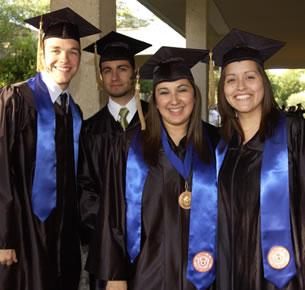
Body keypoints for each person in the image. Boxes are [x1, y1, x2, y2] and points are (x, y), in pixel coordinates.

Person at [85, 46, 219, 290]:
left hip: (205, 272)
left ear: (195, 95)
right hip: (146, 272)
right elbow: (113, 211)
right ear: (155, 100)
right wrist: (115, 275)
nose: (174, 100)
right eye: (164, 92)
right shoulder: (129, 146)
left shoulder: (217, 143)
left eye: (182, 90)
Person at [0, 7, 100, 290]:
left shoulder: (74, 112)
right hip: (23, 234)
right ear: (42, 53)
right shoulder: (15, 100)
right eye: (55, 50)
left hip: (63, 239)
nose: (64, 59)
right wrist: (3, 239)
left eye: (73, 51)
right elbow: (1, 172)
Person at [212, 29, 305, 289]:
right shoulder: (221, 147)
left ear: (263, 81)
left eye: (250, 77)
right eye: (231, 80)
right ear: (223, 89)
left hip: (285, 271)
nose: (240, 87)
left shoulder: (293, 132)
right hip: (233, 270)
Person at [78, 31, 151, 290]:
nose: (115, 76)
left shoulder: (157, 122)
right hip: (106, 246)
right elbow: (85, 190)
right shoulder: (88, 130)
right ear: (100, 77)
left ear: (135, 72)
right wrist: (112, 233)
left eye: (122, 68)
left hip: (154, 242)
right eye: (107, 70)